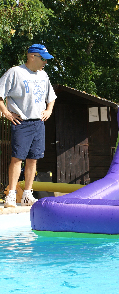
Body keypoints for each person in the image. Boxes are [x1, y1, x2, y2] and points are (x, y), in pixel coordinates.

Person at [0, 44, 57, 208]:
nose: (45, 62)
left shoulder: (43, 75)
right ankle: (11, 194)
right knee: (17, 158)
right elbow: (0, 93)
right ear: (32, 56)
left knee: (33, 160)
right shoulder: (15, 72)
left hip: (38, 123)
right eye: (43, 59)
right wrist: (6, 112)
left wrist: (49, 110)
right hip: (21, 122)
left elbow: (51, 97)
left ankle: (27, 194)